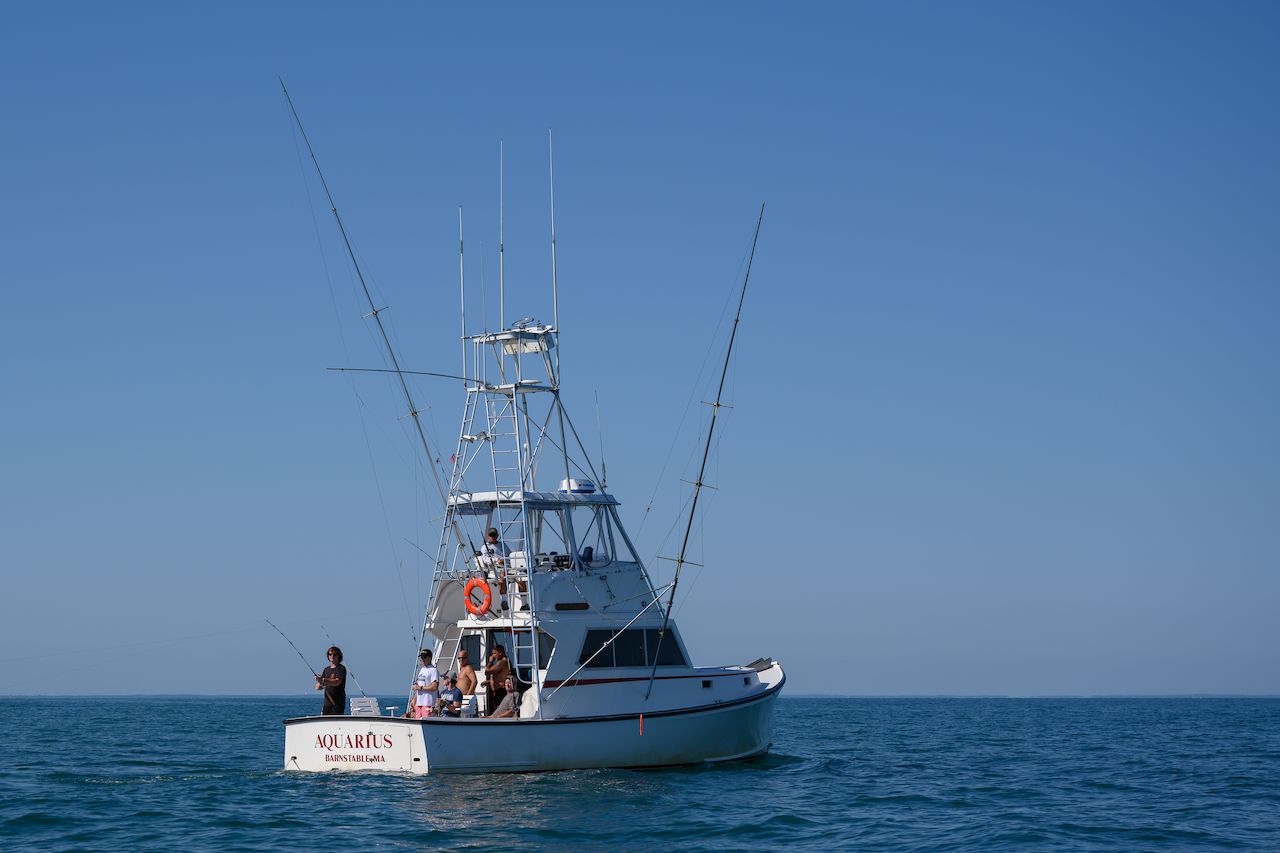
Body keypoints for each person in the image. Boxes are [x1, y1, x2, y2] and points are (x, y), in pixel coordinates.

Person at [316, 646, 347, 716]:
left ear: (338, 656)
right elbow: (318, 688)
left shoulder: (341, 669)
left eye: (334, 654)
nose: (332, 656)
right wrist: (319, 681)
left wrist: (323, 680)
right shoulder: (326, 669)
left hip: (338, 703)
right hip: (327, 703)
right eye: (330, 654)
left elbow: (337, 682)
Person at [412, 650, 440, 719]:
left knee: (426, 721)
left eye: (424, 657)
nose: (422, 659)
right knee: (417, 723)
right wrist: (414, 699)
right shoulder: (422, 670)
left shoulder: (433, 670)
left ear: (430, 658)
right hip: (419, 703)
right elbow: (418, 685)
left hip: (428, 703)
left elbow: (434, 686)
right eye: (421, 657)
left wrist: (420, 688)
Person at [485, 644, 510, 712]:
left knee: (499, 711)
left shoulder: (502, 662)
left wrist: (490, 661)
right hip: (498, 691)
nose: (493, 656)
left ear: (500, 653)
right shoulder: (500, 662)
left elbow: (487, 671)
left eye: (494, 653)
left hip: (501, 691)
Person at [456, 650, 479, 717]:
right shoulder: (461, 670)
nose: (461, 660)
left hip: (467, 699)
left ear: (467, 658)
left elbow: (474, 681)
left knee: (467, 720)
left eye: (463, 658)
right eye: (459, 658)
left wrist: (468, 695)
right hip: (462, 700)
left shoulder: (468, 668)